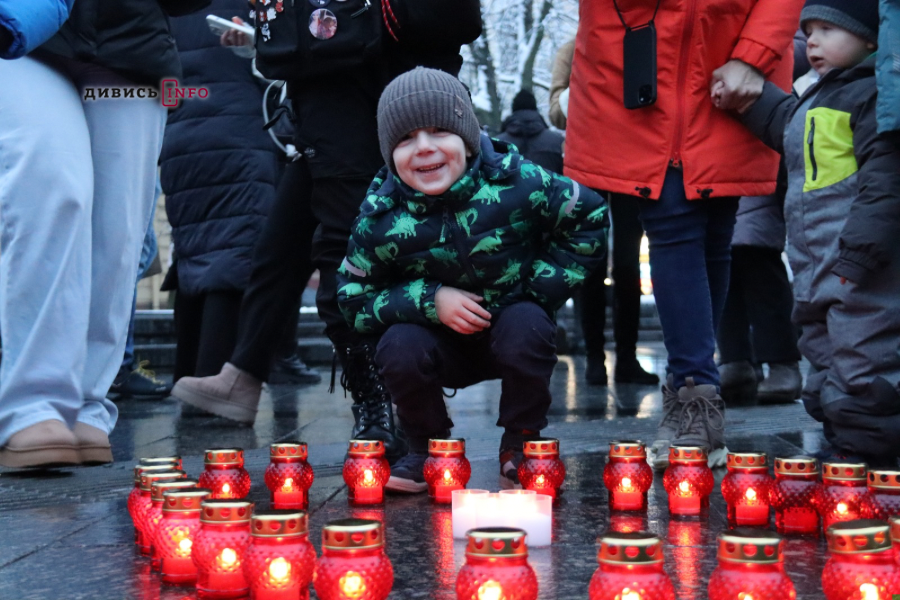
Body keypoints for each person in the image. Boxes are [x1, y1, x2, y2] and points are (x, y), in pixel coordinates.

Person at [171, 2, 481, 465]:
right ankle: (244, 374)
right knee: (282, 243)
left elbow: (450, 18)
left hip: (367, 84)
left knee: (345, 248)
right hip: (328, 82)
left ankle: (385, 407)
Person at [336, 68, 609, 492]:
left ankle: (521, 444)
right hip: (435, 343)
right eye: (406, 139)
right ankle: (426, 447)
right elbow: (352, 298)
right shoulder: (379, 217)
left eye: (439, 131)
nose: (424, 148)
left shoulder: (519, 180)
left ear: (466, 135)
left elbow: (589, 216)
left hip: (510, 330)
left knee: (529, 324)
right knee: (398, 346)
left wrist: (535, 292)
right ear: (389, 154)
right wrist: (429, 299)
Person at [566, 0, 803, 468]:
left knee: (716, 228)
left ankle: (689, 393)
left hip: (728, 57)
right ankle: (696, 393)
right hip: (636, 57)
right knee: (674, 219)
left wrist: (753, 54)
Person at [0, 0, 208, 469]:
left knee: (119, 233)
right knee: (53, 187)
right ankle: (32, 404)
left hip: (132, 50)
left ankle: (86, 404)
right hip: (25, 33)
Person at [734, 0, 900, 467]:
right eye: (808, 31)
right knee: (822, 360)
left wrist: (860, 254)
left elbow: (884, 180)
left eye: (828, 30)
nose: (814, 42)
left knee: (865, 362)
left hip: (858, 267)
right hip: (813, 268)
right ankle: (840, 446)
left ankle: (871, 461)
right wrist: (748, 97)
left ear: (870, 39)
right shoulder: (821, 94)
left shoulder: (872, 98)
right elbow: (782, 124)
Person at [159, 0, 319, 387]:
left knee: (193, 253)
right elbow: (291, 61)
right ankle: (215, 377)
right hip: (240, 132)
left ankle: (188, 374)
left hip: (181, 132)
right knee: (234, 251)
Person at [550, 39, 659, 387]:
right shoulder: (573, 50)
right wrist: (583, 90)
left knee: (628, 263)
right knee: (590, 261)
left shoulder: (636, 43)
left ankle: (626, 359)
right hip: (586, 162)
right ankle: (595, 359)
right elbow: (555, 109)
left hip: (630, 162)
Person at [716, 32, 812, 406]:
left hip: (761, 144)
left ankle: (779, 362)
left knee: (758, 265)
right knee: (724, 274)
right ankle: (738, 361)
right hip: (723, 156)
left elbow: (798, 46)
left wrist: (748, 57)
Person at [497, 89, 565, 174]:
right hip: (547, 187)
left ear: (513, 109)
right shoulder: (558, 142)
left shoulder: (496, 144)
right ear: (535, 108)